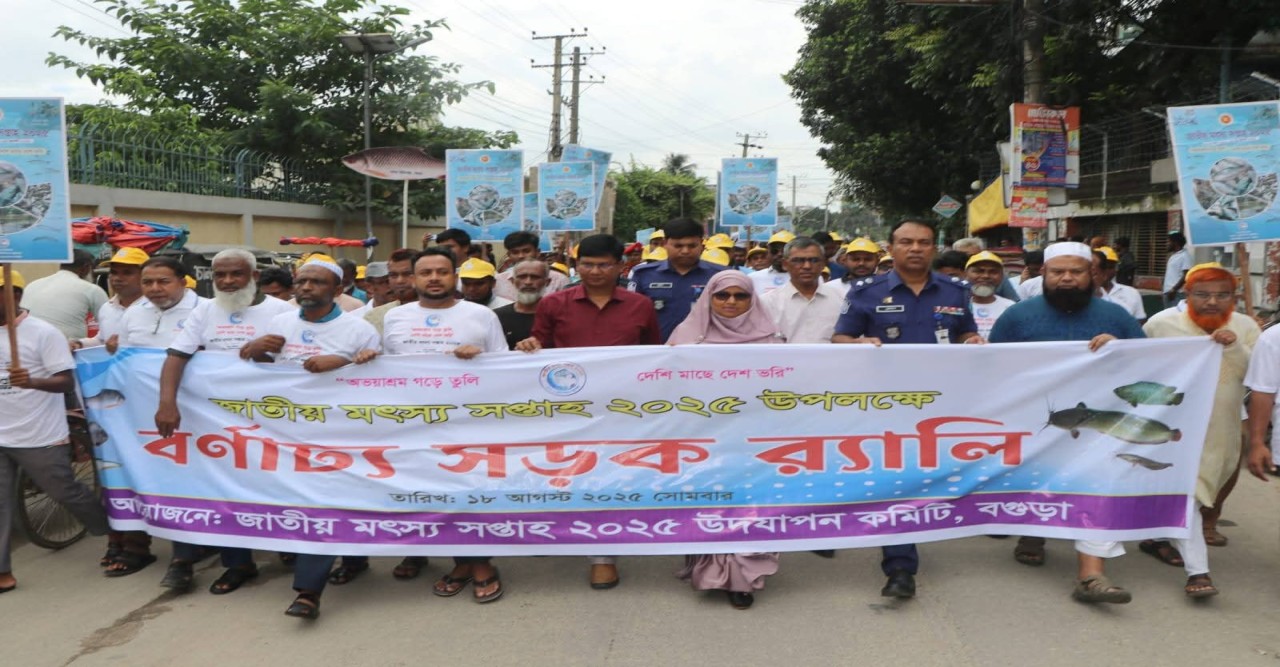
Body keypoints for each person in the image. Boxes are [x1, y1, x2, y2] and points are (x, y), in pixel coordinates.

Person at [831, 219, 982, 600]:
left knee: (932, 474)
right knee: (897, 478)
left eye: (923, 243)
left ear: (934, 248)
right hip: (887, 403)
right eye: (906, 242)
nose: (915, 249)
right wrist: (858, 343)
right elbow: (840, 337)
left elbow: (965, 331)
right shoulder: (866, 291)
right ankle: (899, 565)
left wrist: (972, 338)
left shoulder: (956, 290)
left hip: (943, 404)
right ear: (891, 248)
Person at [988, 242, 1146, 604]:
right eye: (1058, 272)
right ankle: (1033, 532)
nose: (1067, 279)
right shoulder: (1017, 317)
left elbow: (1143, 364)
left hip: (1098, 424)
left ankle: (1091, 575)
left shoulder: (1117, 316)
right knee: (1038, 479)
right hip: (1037, 421)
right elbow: (993, 368)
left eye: (1075, 271)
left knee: (1099, 485)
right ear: (1044, 273)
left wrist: (1119, 347)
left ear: (1091, 274)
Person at [516, 234, 660, 590]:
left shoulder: (639, 305)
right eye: (588, 264)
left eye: (604, 265)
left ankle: (603, 555)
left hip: (621, 411)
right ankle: (562, 531)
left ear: (620, 266)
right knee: (566, 474)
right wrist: (528, 346)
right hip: (568, 410)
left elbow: (652, 357)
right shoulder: (553, 304)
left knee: (609, 478)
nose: (595, 271)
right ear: (577, 266)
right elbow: (540, 350)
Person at [240, 260, 380, 620]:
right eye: (301, 281)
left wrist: (346, 361)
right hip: (287, 430)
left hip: (340, 432)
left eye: (316, 283)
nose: (305, 287)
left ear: (337, 291)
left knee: (327, 500)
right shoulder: (280, 323)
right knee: (312, 500)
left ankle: (308, 591)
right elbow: (259, 367)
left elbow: (383, 379)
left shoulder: (358, 329)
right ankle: (352, 559)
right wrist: (254, 349)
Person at [368, 247, 510, 602]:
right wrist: (365, 359)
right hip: (413, 426)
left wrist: (480, 359)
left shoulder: (481, 316)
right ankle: (460, 561)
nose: (434, 278)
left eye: (442, 272)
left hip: (468, 424)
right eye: (426, 272)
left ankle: (479, 565)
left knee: (468, 496)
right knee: (428, 494)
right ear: (413, 278)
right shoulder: (395, 318)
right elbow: (386, 371)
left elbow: (507, 370)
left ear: (455, 276)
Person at [151, 249, 294, 594]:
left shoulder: (283, 312)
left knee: (277, 484)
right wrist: (167, 403)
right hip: (215, 418)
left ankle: (293, 546)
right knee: (223, 488)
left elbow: (296, 366)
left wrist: (260, 350)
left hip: (271, 419)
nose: (228, 283)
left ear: (254, 276)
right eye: (220, 276)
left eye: (236, 275)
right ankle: (237, 563)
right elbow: (176, 357)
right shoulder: (204, 310)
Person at [1139, 263, 1257, 597]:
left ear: (1233, 297)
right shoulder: (1161, 325)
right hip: (1172, 428)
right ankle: (1198, 572)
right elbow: (1136, 363)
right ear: (1187, 294)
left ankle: (1159, 536)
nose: (1212, 302)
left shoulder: (1246, 327)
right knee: (1185, 494)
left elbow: (1258, 375)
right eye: (1203, 294)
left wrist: (1234, 345)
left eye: (1222, 295)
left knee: (1205, 487)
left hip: (1222, 430)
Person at [668, 271, 781, 609]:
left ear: (752, 300)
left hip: (754, 442)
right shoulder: (685, 339)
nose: (731, 302)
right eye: (723, 296)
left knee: (751, 506)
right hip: (703, 440)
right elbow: (664, 389)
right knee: (711, 504)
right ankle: (709, 571)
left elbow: (788, 390)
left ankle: (743, 578)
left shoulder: (772, 341)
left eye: (740, 296)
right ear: (709, 299)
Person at [0, 269, 110, 594]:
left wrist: (31, 381)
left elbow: (64, 381)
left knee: (64, 492)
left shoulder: (42, 333)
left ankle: (112, 533)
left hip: (38, 435)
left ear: (14, 295)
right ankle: (3, 570)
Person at [629, 218, 724, 342]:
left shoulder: (720, 275)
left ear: (702, 244)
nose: (685, 251)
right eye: (678, 246)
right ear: (665, 244)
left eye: (692, 246)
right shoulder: (643, 275)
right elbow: (631, 316)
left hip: (704, 350)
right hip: (656, 352)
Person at [759, 237, 848, 344]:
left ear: (823, 263)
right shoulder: (767, 302)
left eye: (814, 260)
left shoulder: (842, 299)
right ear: (785, 264)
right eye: (798, 261)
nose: (807, 266)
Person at [117, 257, 203, 351]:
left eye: (163, 282)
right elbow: (123, 354)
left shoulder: (206, 310)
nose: (155, 288)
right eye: (147, 282)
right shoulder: (133, 312)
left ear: (183, 283)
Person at [22, 249, 109, 341]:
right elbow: (110, 325)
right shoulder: (91, 289)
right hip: (66, 348)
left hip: (26, 345)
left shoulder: (33, 284)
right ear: (86, 268)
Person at [73, 247, 149, 351]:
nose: (117, 278)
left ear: (145, 276)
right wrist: (79, 344)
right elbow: (102, 340)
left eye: (127, 273)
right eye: (114, 272)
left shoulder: (155, 308)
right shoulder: (107, 308)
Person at [494, 260, 551, 349]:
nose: (528, 282)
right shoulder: (496, 317)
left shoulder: (558, 316)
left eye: (535, 277)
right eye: (522, 277)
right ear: (513, 281)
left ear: (547, 282)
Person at [496, 231, 568, 300]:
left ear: (537, 252)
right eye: (515, 252)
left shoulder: (559, 280)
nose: (521, 256)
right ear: (509, 255)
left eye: (526, 251)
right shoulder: (498, 281)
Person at [363, 248, 418, 336]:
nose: (399, 281)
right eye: (393, 275)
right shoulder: (374, 317)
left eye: (407, 274)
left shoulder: (443, 312)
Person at [965, 251, 1015, 339]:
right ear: (966, 274)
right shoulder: (957, 305)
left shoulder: (1011, 307)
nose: (986, 276)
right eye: (978, 271)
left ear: (1002, 276)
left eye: (993, 272)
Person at [1093, 247, 1146, 322]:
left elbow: (1140, 323)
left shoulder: (1131, 293)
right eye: (1102, 267)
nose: (1105, 271)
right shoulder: (1080, 296)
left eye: (1110, 267)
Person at [1164, 232, 1192, 308]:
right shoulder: (1174, 256)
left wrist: (1173, 289)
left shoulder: (1184, 256)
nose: (1167, 244)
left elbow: (1186, 275)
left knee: (1175, 317)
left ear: (1175, 243)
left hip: (1176, 293)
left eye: (1169, 241)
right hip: (1169, 292)